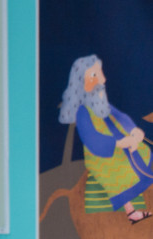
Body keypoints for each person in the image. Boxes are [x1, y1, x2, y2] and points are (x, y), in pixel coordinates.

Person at [59, 54, 153, 225]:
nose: (102, 79)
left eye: (100, 73)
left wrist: (134, 131)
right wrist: (118, 143)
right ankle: (131, 211)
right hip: (102, 152)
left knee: (144, 151)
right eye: (95, 75)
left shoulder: (101, 102)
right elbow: (91, 138)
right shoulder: (82, 111)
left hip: (120, 140)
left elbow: (121, 117)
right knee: (119, 169)